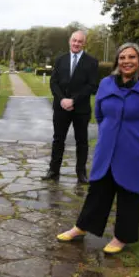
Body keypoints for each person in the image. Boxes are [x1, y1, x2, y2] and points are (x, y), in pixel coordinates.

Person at [56, 42, 139, 254]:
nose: (127, 61)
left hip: (134, 152)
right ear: (117, 60)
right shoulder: (107, 84)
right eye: (123, 57)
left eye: (132, 57)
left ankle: (121, 237)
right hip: (107, 149)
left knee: (129, 193)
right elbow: (99, 114)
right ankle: (81, 227)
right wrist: (109, 134)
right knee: (98, 190)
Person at [43, 30, 99, 183]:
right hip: (61, 108)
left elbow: (92, 86)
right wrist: (62, 100)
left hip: (80, 109)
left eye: (80, 41)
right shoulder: (60, 59)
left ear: (84, 43)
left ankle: (81, 173)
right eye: (74, 40)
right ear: (69, 41)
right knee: (58, 139)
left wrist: (73, 100)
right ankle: (53, 171)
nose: (76, 44)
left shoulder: (92, 62)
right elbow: (53, 82)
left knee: (82, 141)